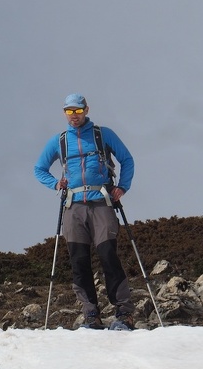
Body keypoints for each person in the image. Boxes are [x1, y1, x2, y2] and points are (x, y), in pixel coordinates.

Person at [34, 93, 136, 330]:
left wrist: (122, 186)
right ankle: (91, 315)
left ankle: (124, 314)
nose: (74, 116)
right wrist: (55, 184)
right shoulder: (59, 141)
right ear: (64, 113)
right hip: (73, 205)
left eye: (78, 111)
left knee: (108, 255)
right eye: (69, 112)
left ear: (86, 110)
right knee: (79, 261)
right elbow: (39, 168)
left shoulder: (103, 134)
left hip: (101, 202)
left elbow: (127, 159)